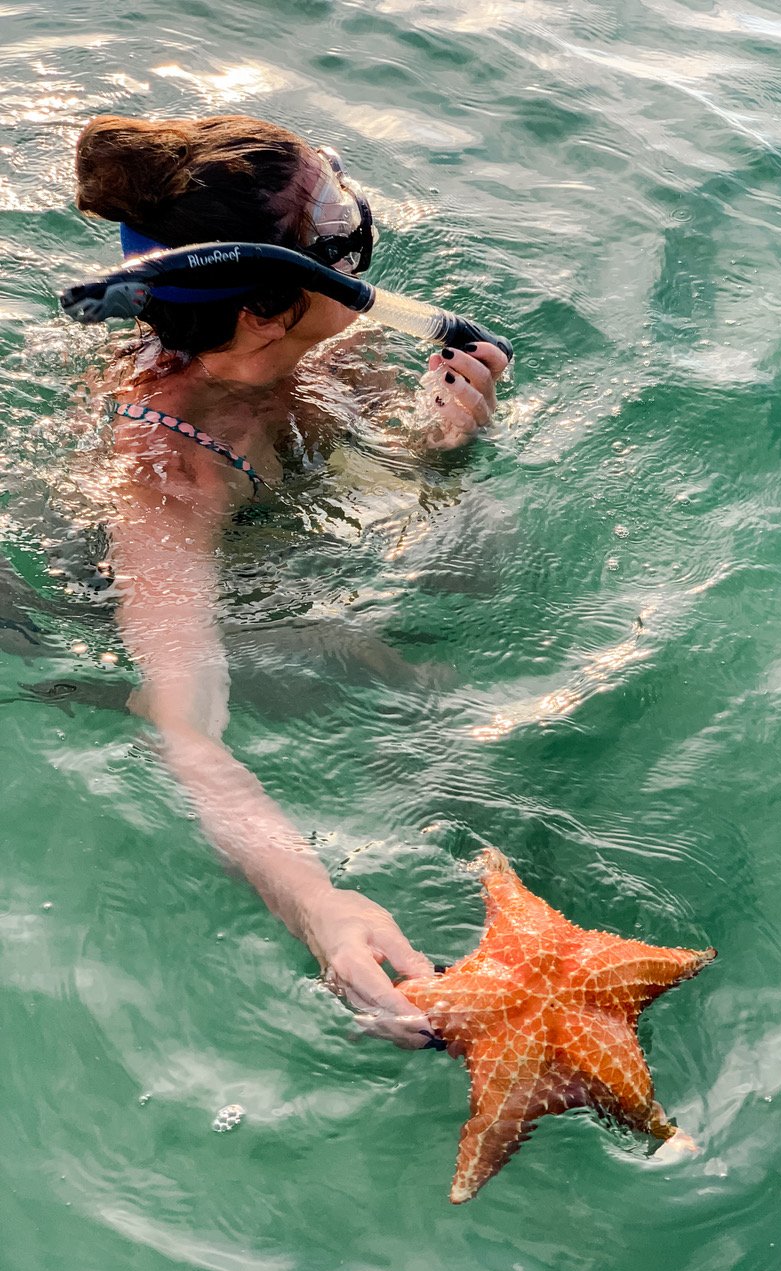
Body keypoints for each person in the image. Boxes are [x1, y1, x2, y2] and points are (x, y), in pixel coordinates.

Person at [73, 113, 510, 1048]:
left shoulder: (325, 338)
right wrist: (320, 907)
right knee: (347, 674)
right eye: (333, 230)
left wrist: (443, 450)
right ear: (270, 305)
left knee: (487, 549)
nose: (357, 244)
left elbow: (375, 468)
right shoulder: (173, 472)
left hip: (278, 546)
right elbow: (182, 726)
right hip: (93, 603)